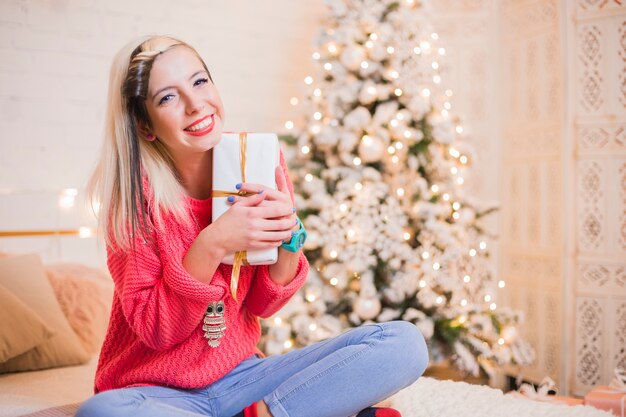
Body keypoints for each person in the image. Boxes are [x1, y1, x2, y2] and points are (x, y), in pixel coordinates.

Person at [77, 35, 428, 417]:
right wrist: (212, 244)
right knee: (102, 413)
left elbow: (264, 304)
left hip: (244, 379)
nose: (196, 104)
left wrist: (288, 239)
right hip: (154, 392)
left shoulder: (256, 160)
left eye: (199, 81)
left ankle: (267, 412)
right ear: (146, 125)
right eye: (168, 97)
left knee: (404, 344)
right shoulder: (132, 199)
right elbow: (159, 330)